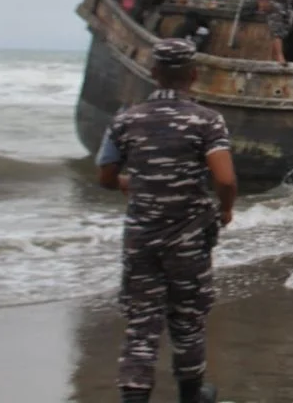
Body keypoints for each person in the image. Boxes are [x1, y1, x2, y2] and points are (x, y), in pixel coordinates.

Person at [95, 39, 237, 403]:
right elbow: (224, 179)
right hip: (188, 237)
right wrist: (225, 210)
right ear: (193, 75)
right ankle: (191, 394)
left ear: (154, 73)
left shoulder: (124, 120)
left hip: (141, 237)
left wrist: (129, 183)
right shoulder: (207, 120)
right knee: (188, 318)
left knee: (141, 322)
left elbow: (105, 176)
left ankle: (134, 397)